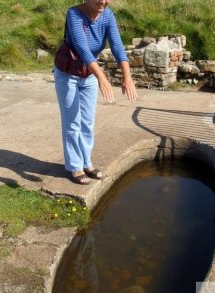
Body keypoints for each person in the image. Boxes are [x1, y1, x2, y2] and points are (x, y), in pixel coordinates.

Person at [54, 0, 137, 185]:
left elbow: (117, 46)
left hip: (89, 75)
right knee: (73, 123)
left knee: (88, 122)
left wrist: (127, 76)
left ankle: (86, 163)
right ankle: (75, 166)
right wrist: (102, 78)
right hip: (69, 74)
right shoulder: (74, 14)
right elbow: (83, 49)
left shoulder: (107, 15)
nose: (103, 1)